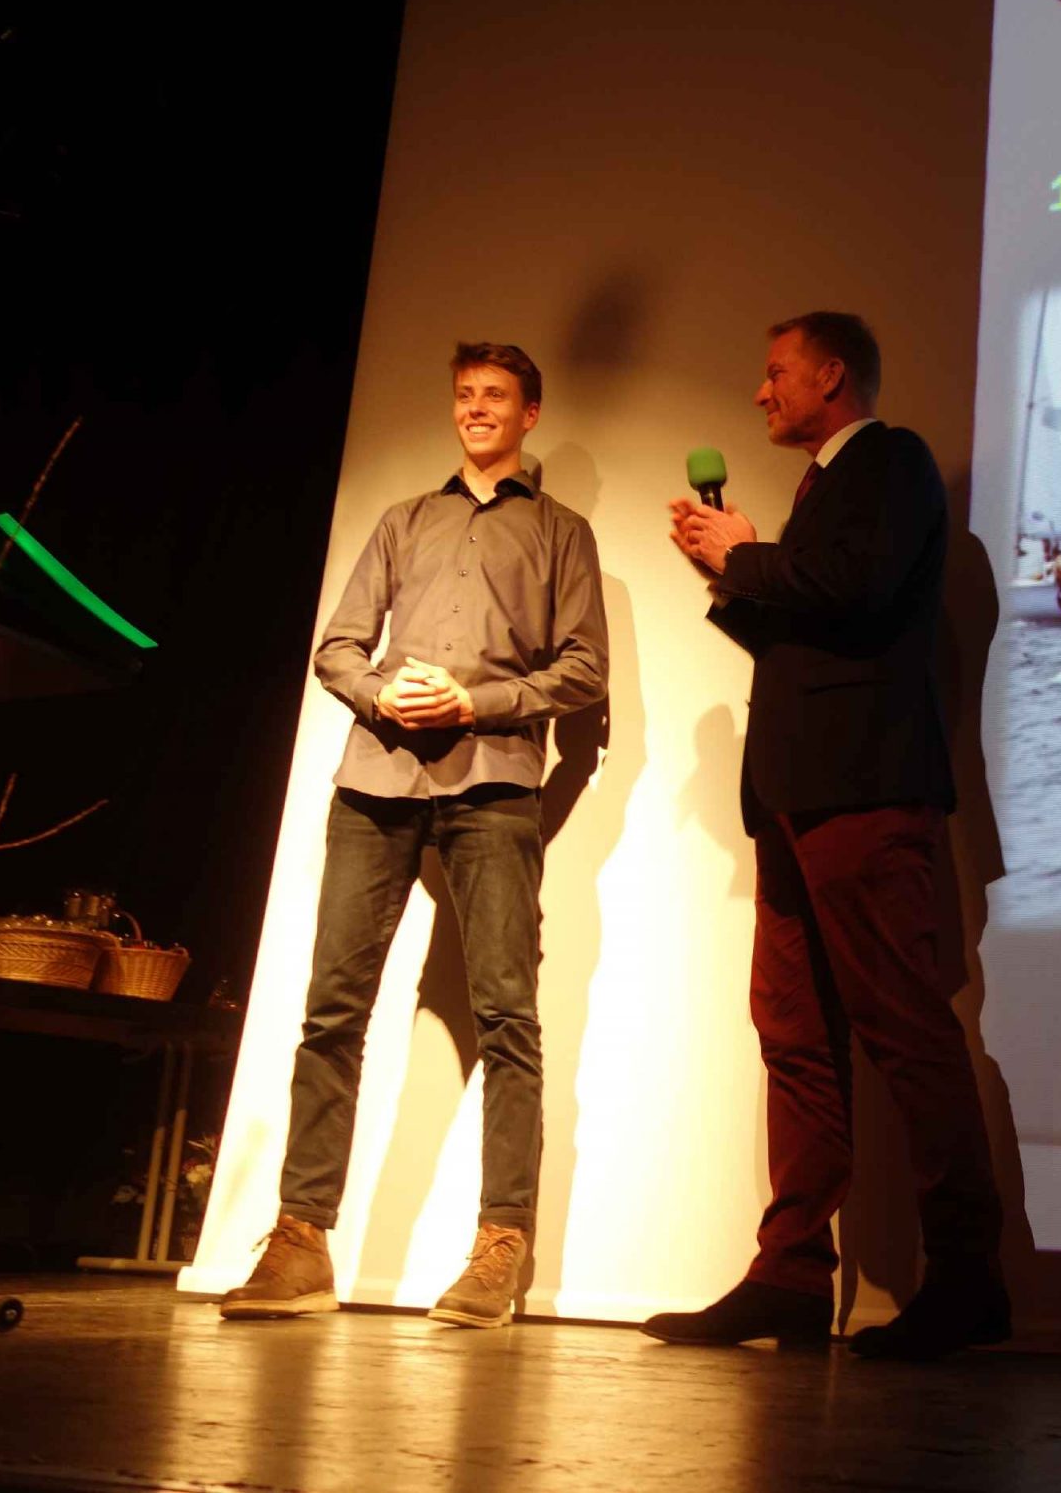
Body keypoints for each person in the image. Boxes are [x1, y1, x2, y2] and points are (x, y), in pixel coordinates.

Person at [220, 342, 609, 1330]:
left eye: (495, 396)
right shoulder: (404, 519)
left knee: (507, 1016)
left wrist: (474, 702)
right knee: (331, 1010)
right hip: (376, 780)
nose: (476, 408)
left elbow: (583, 673)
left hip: (494, 784)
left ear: (529, 413)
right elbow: (338, 647)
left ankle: (499, 1246)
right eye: (465, 394)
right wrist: (383, 692)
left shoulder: (561, 533)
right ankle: (300, 1240)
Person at [660, 311, 1008, 1361]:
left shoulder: (891, 461)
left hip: (864, 790)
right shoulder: (820, 491)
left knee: (903, 1025)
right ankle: (790, 1277)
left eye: (776, 372)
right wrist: (728, 570)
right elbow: (802, 633)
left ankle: (967, 1279)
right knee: (794, 1036)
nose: (760, 391)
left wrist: (749, 554)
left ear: (832, 375)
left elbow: (858, 590)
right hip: (793, 797)